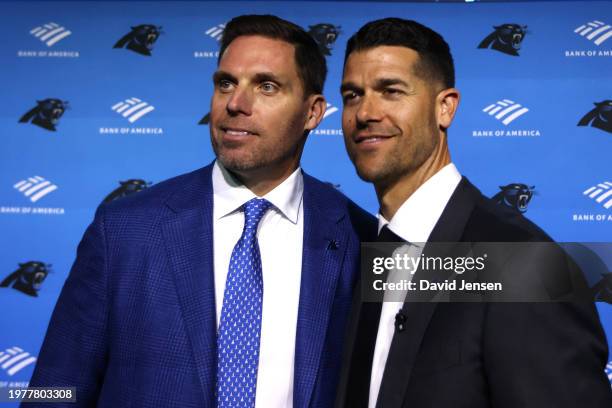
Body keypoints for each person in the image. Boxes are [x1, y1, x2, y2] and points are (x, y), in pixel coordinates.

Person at [26, 15, 375, 408]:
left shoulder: (361, 239)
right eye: (226, 82)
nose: (235, 104)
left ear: (312, 113)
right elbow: (52, 390)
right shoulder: (123, 231)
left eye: (266, 86)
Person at [335, 18, 612, 408]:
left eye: (391, 91)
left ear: (445, 108)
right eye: (352, 95)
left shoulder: (525, 266)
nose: (365, 112)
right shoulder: (369, 253)